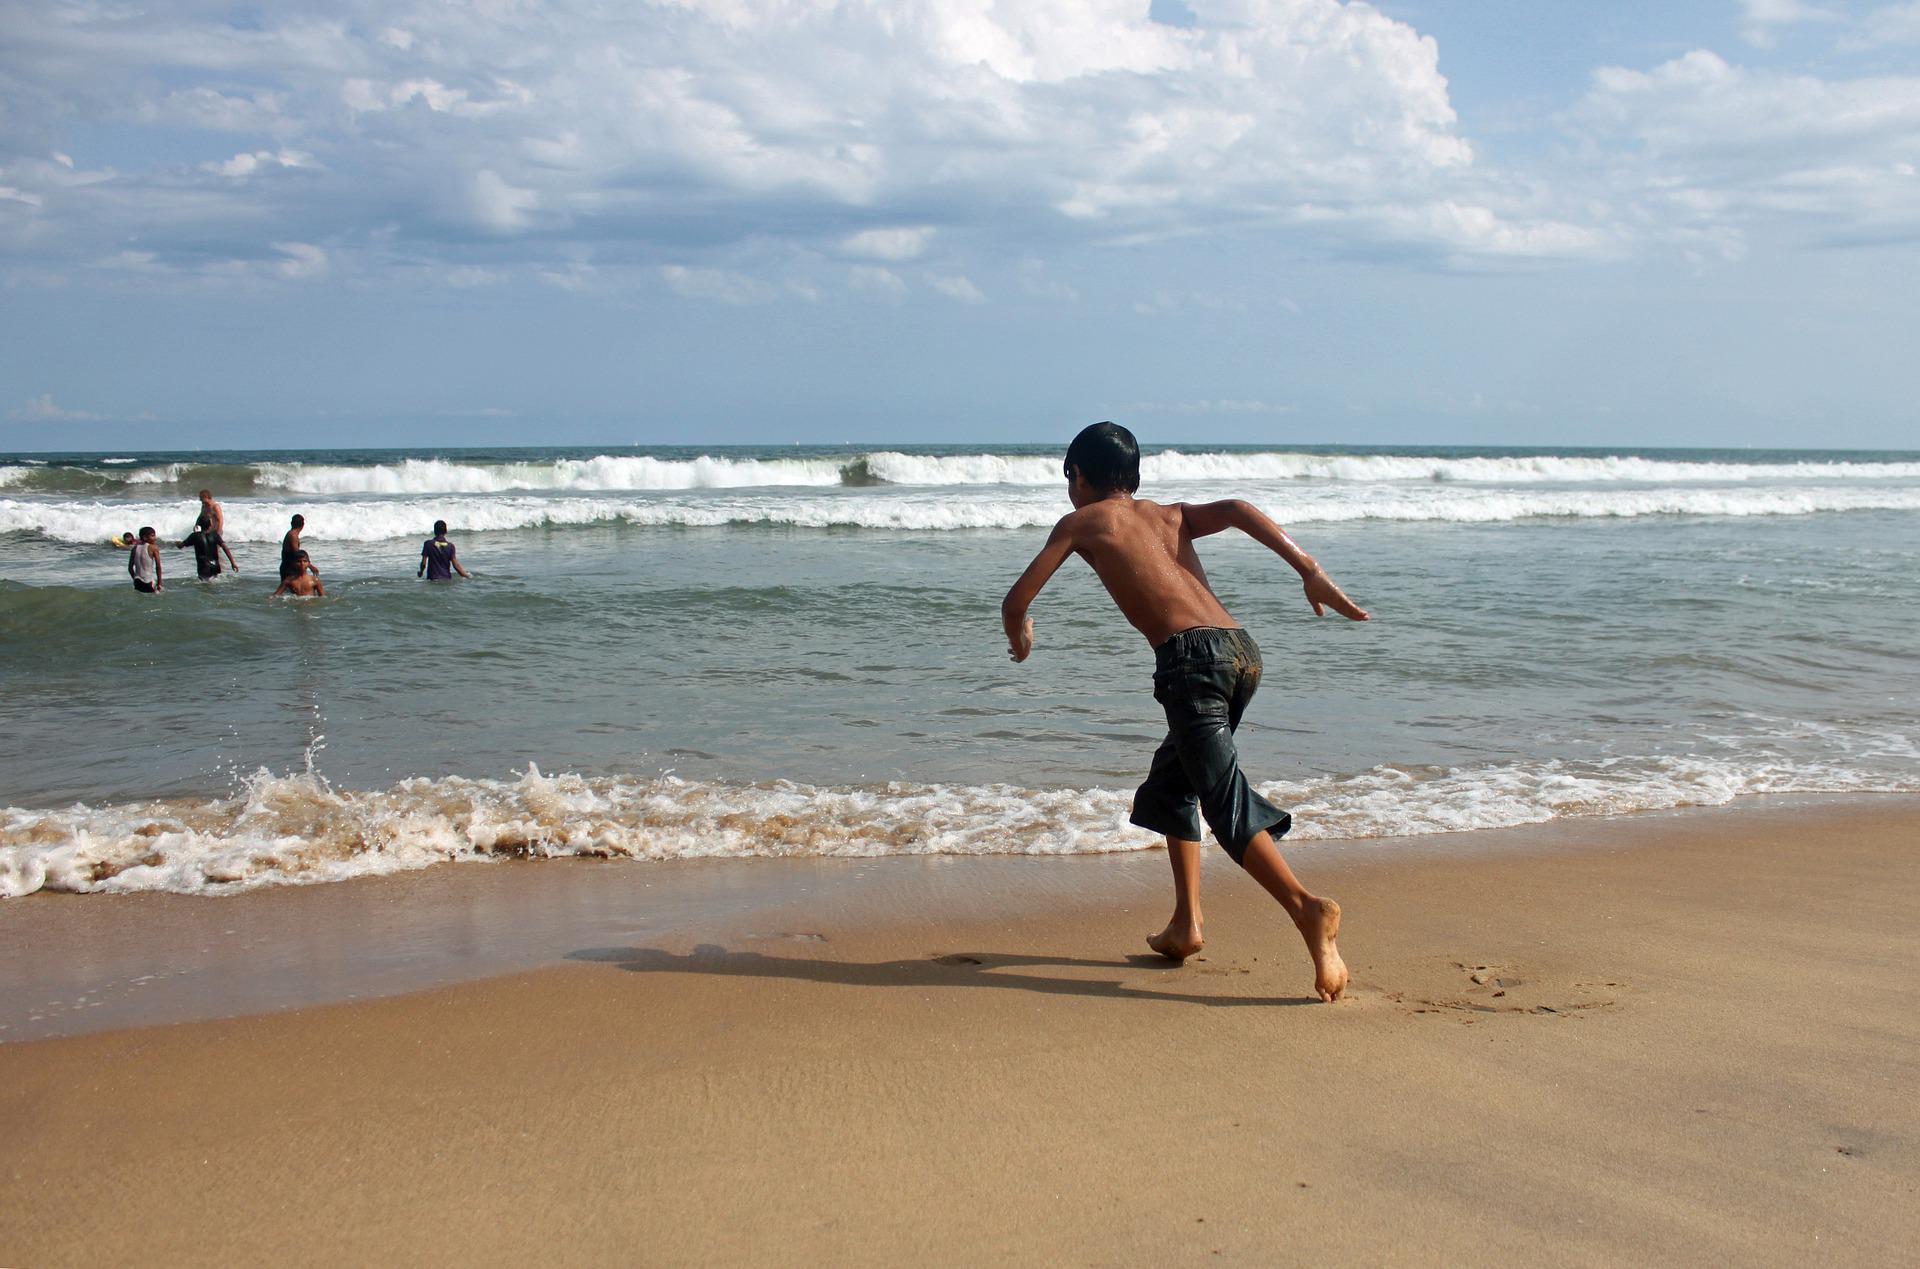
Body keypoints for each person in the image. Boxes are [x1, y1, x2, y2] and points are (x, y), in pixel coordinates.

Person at [1000, 422, 1370, 1003]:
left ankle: (1307, 910)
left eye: (1068, 478)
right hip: (1240, 652)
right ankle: (1186, 923)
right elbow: (1239, 509)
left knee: (1223, 801)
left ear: (1078, 476)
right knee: (1175, 787)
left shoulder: (1081, 522)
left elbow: (1015, 600)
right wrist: (1308, 569)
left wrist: (1020, 634)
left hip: (1189, 664)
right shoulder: (1169, 515)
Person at [193, 489, 239, 573]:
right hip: (206, 532)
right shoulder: (204, 506)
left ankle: (221, 569)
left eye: (201, 498)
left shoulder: (215, 506)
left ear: (206, 497)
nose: (200, 500)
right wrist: (196, 524)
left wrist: (218, 532)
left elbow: (220, 520)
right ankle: (211, 568)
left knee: (216, 552)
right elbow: (200, 516)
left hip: (215, 532)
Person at [126, 526, 163, 594]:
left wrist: (134, 579)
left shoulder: (134, 548)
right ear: (145, 537)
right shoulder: (153, 548)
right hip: (148, 581)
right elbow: (158, 567)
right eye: (152, 536)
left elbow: (130, 568)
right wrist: (159, 584)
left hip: (137, 581)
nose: (155, 538)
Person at [280, 514, 316, 582]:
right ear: (303, 525)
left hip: (287, 567)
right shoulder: (293, 535)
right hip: (289, 568)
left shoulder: (291, 533)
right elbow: (297, 554)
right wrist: (311, 567)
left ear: (291, 523)